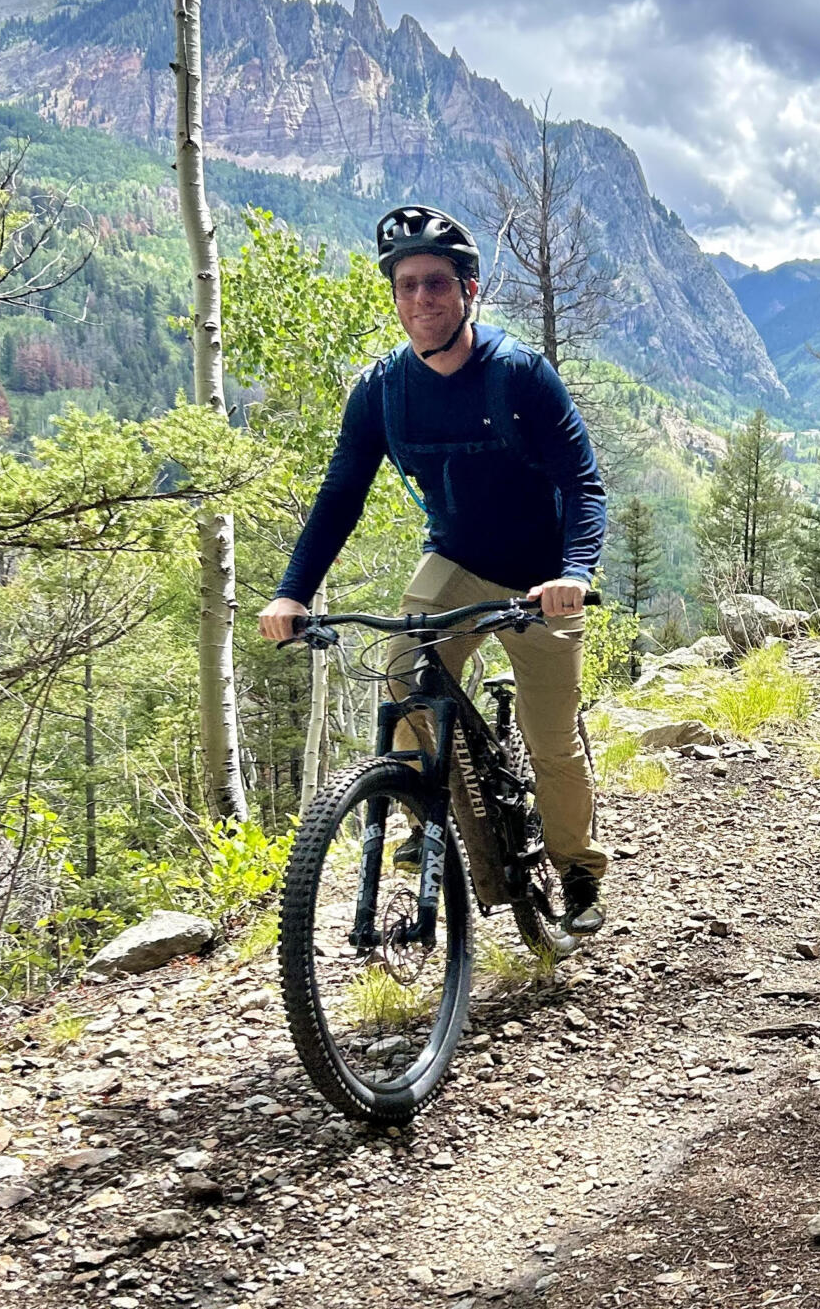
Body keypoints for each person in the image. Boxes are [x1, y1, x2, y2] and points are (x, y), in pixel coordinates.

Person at [258, 203, 610, 936]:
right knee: (402, 674)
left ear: (470, 290)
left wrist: (574, 571)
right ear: (394, 294)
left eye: (438, 284)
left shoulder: (519, 377)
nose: (422, 300)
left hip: (543, 579)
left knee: (551, 739)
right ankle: (426, 815)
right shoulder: (382, 392)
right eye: (408, 285)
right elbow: (338, 498)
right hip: (455, 560)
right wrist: (293, 590)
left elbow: (582, 483)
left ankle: (578, 868)